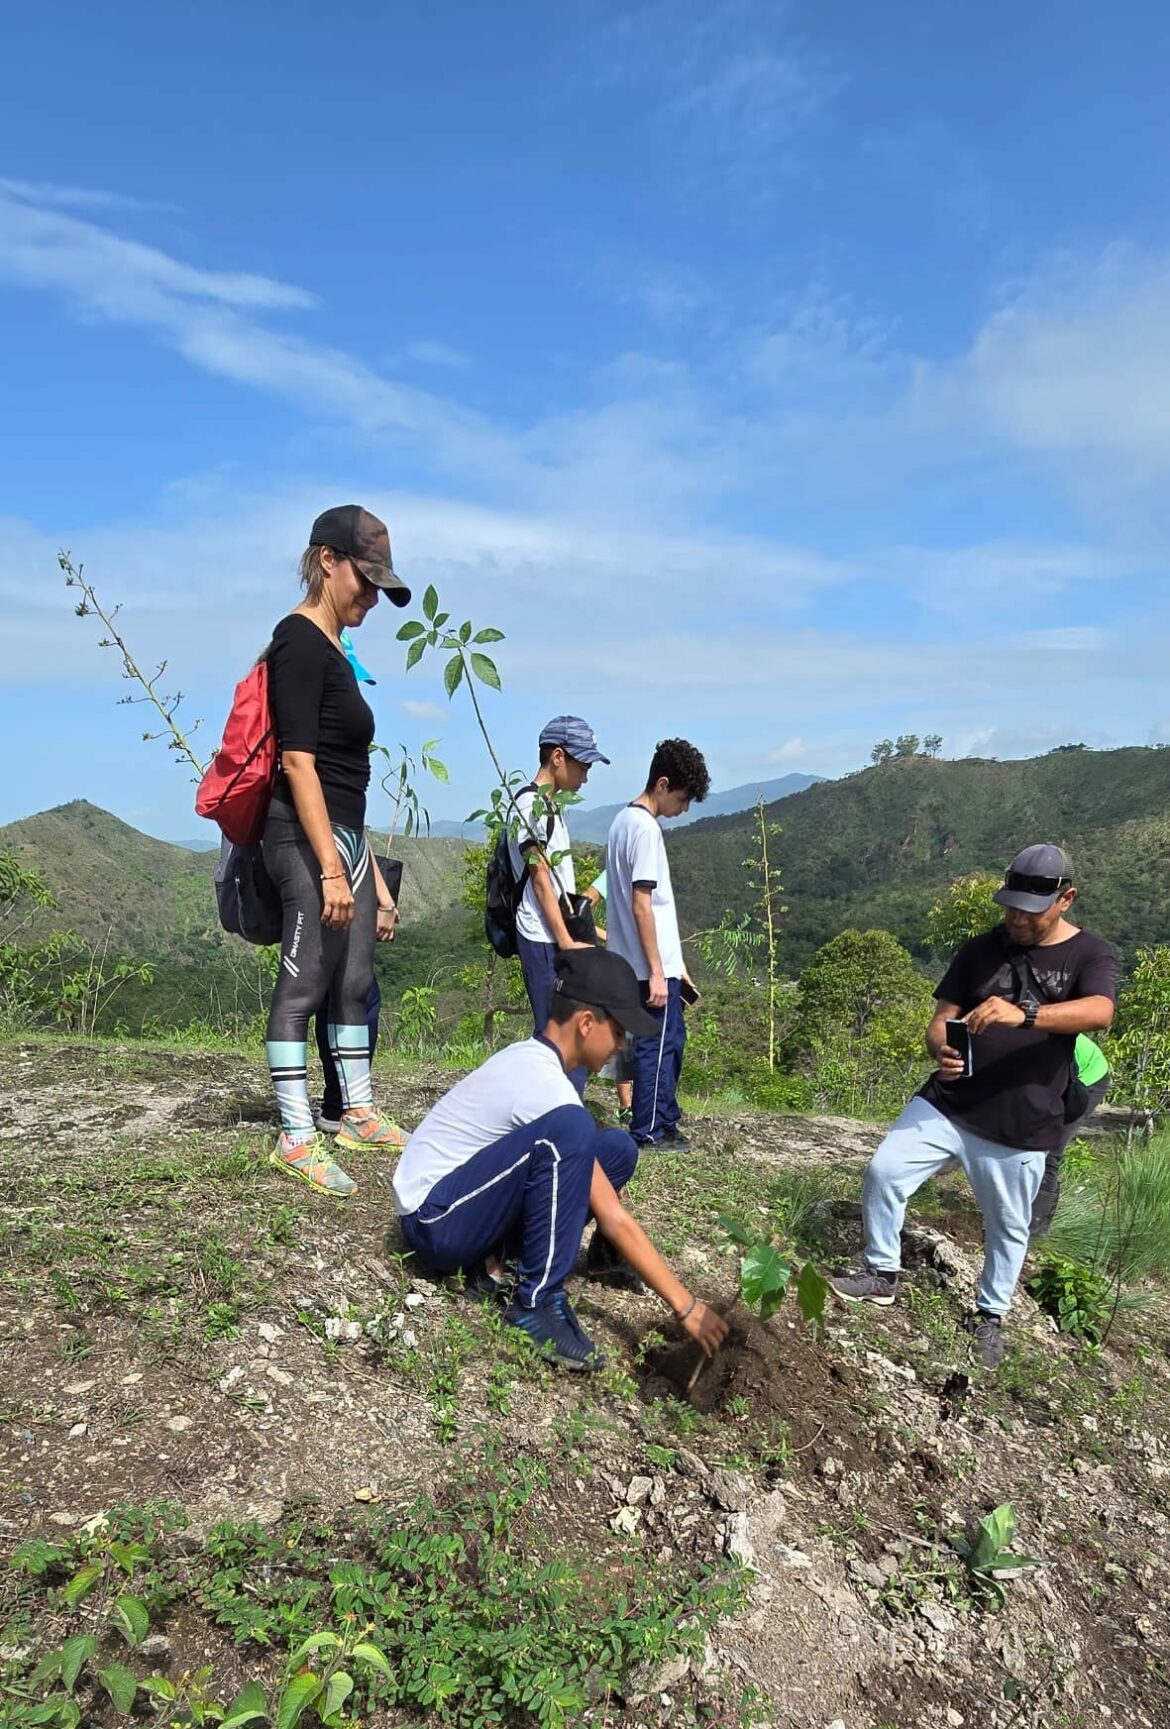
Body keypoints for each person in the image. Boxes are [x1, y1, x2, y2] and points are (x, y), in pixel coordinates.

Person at [829, 844, 1117, 1367]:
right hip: (951, 1099)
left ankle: (989, 1316)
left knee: (1008, 1224)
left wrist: (1024, 1015)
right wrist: (939, 1047)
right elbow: (942, 1017)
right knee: (884, 1171)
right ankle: (881, 1272)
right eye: (1010, 906)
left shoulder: (1089, 955)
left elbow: (1100, 1011)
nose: (1016, 918)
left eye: (1030, 910)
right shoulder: (979, 949)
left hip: (1021, 1117)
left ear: (1066, 899)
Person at [392, 948, 729, 1370]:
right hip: (435, 1221)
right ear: (587, 1023)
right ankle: (536, 1303)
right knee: (573, 1129)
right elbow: (613, 1216)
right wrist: (686, 1306)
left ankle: (499, 1265)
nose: (622, 1044)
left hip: (465, 1206)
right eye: (620, 1030)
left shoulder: (541, 1068)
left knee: (616, 1149)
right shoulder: (542, 1084)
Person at [261, 505, 411, 1196]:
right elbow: (297, 763)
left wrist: (369, 872)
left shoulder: (336, 649)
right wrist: (328, 867)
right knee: (305, 983)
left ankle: (354, 1111)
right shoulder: (296, 640)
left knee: (353, 981)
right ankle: (296, 1135)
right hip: (300, 834)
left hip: (344, 835)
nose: (372, 596)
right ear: (328, 560)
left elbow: (349, 783)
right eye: (366, 579)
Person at [605, 738, 709, 1150]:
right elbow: (642, 905)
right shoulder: (645, 830)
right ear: (662, 784)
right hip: (648, 967)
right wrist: (657, 971)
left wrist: (676, 963)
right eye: (682, 799)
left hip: (633, 962)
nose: (683, 810)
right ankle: (649, 1130)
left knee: (655, 1045)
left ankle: (662, 1120)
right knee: (658, 1047)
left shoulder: (620, 823)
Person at [313, 630, 394, 1134]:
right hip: (327, 872)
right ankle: (336, 1104)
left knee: (353, 989)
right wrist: (333, 876)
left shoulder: (335, 766)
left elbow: (353, 827)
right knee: (335, 991)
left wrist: (381, 892)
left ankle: (341, 1101)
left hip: (347, 864)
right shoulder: (313, 757)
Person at [508, 716, 609, 1097]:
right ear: (557, 757)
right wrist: (566, 942)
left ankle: (559, 1114)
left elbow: (559, 884)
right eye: (582, 765)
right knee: (560, 1036)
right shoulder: (531, 807)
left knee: (569, 1033)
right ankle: (555, 1117)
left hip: (557, 935)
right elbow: (540, 881)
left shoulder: (553, 807)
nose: (586, 776)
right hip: (542, 937)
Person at [1029, 1034, 1110, 1240]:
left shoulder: (1045, 1044)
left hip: (1087, 1079)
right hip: (1054, 1074)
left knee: (1049, 1151)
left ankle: (1035, 1230)